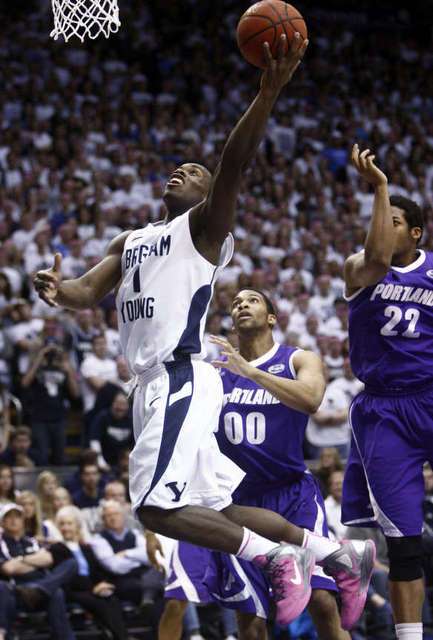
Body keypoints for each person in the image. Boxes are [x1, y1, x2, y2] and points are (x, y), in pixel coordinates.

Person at [34, 35, 372, 628]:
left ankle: (275, 559)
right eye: (179, 166)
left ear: (206, 192)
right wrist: (60, 293)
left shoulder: (203, 230)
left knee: (156, 508)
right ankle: (337, 553)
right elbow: (88, 293)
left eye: (195, 171)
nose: (181, 170)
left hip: (179, 377)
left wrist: (267, 93)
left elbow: (234, 164)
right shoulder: (131, 240)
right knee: (222, 508)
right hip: (155, 385)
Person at [158, 288, 355, 640]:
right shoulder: (213, 376)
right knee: (250, 623)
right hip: (238, 504)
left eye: (252, 300)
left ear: (271, 317)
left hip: (292, 494)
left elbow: (311, 399)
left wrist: (251, 372)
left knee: (322, 601)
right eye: (235, 303)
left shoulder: (299, 359)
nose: (241, 305)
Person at [341, 144, 432, 640]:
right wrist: (380, 187)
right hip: (384, 410)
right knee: (404, 542)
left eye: (394, 220)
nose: (383, 224)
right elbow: (377, 254)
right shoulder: (360, 269)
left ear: (415, 233)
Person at [51, 505, 130, 640]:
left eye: (69, 524)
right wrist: (93, 588)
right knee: (100, 603)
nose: (65, 528)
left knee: (113, 600)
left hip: (92, 589)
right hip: (73, 591)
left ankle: (116, 635)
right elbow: (68, 577)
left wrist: (103, 584)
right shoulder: (57, 549)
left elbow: (97, 571)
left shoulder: (86, 547)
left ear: (77, 526)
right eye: (62, 524)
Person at [0, 502, 77, 640]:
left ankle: (39, 589)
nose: (13, 520)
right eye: (8, 517)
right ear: (2, 522)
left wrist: (20, 560)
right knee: (56, 592)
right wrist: (34, 561)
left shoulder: (33, 541)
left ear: (23, 521)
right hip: (17, 591)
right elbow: (8, 568)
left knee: (71, 563)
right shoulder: (1, 542)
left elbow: (48, 560)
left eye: (17, 516)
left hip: (40, 589)